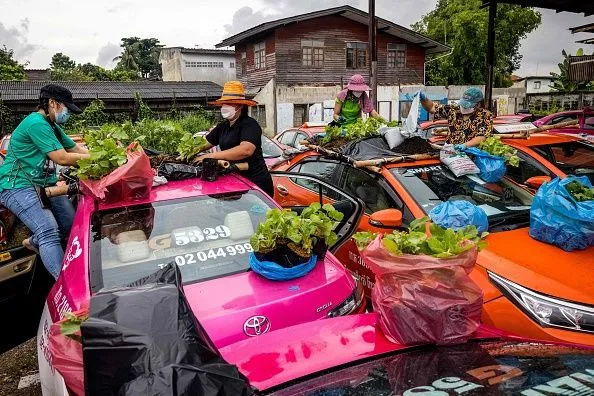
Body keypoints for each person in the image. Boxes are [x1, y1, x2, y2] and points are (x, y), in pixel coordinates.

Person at [0, 84, 90, 279]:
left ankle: (33, 241)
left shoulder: (53, 127)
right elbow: (63, 158)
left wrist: (108, 156)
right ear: (52, 103)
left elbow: (75, 150)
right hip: (17, 185)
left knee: (72, 226)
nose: (67, 113)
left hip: (43, 184)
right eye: (65, 107)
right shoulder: (36, 123)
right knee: (48, 230)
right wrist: (92, 159)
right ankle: (66, 285)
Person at [193, 81, 274, 197]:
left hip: (255, 184)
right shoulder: (222, 127)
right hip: (234, 180)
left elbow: (245, 150)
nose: (225, 107)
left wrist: (209, 156)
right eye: (224, 104)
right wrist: (187, 151)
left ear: (240, 106)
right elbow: (203, 144)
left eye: (229, 104)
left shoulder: (249, 125)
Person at [419, 87, 493, 150]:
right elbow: (432, 108)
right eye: (463, 104)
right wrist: (423, 99)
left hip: (470, 154)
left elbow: (482, 137)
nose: (464, 107)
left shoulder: (485, 115)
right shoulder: (454, 109)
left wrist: (464, 145)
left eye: (467, 106)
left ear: (478, 104)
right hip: (449, 151)